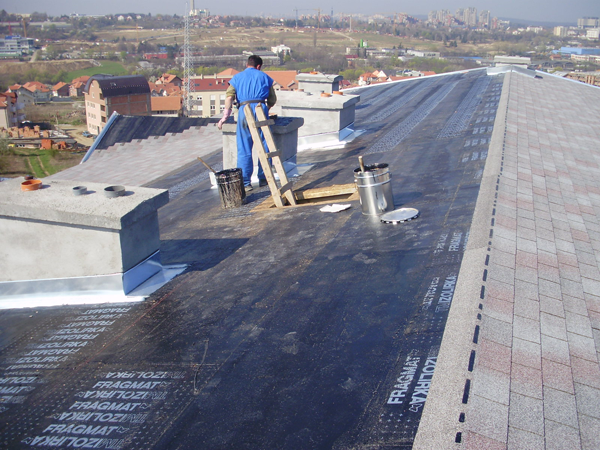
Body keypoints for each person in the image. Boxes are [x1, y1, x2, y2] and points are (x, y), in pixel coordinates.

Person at [217, 55, 277, 191]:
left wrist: (225, 116)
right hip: (260, 109)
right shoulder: (265, 77)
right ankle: (265, 178)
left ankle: (245, 183)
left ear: (247, 64)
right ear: (259, 66)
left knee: (244, 147)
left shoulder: (237, 78)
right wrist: (265, 109)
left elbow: (229, 97)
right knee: (265, 145)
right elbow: (272, 99)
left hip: (244, 111)